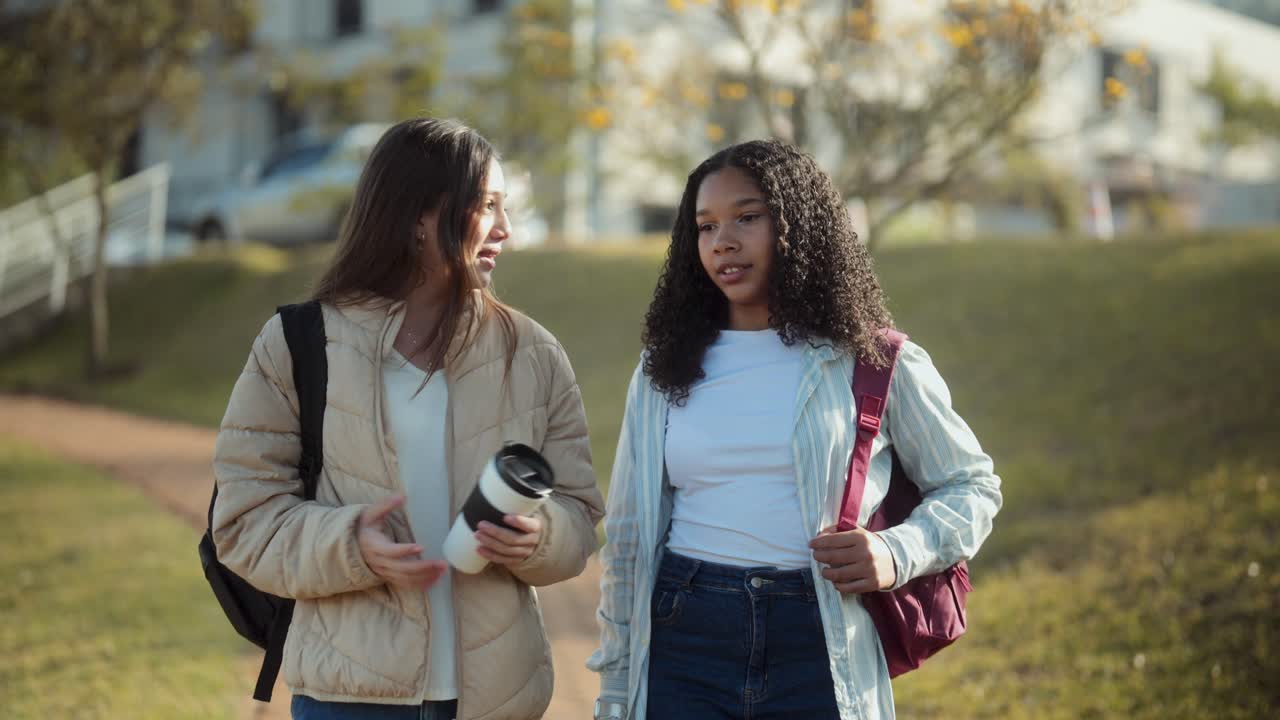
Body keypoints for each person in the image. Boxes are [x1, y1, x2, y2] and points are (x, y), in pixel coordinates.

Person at [588, 140, 1002, 720]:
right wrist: (615, 688)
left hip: (821, 636)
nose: (723, 242)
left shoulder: (877, 360)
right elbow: (629, 536)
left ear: (799, 223)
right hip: (685, 633)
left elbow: (972, 486)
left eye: (747, 217)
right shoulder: (664, 366)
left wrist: (896, 551)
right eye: (705, 227)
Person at [212, 118, 604, 720]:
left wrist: (538, 537)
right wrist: (351, 546)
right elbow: (243, 521)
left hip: (497, 700)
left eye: (506, 207)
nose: (505, 228)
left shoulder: (535, 354)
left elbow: (579, 519)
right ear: (420, 216)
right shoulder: (297, 343)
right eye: (487, 206)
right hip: (349, 698)